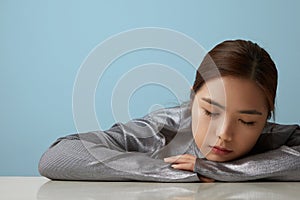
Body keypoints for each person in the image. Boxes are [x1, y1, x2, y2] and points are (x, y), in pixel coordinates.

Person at [39, 39, 300, 182]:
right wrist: (175, 172)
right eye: (210, 112)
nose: (223, 134)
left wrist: (216, 170)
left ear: (267, 117)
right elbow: (57, 156)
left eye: (246, 121)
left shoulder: (275, 138)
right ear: (192, 98)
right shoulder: (164, 129)